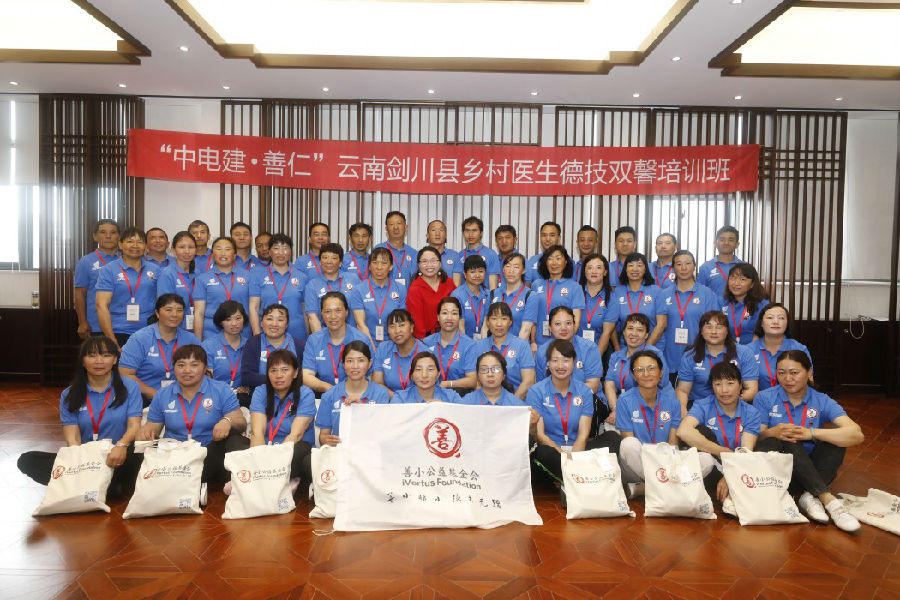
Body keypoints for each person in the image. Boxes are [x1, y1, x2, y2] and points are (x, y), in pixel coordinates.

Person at [754, 351, 864, 532]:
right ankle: (827, 499)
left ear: (809, 372)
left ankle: (809, 496)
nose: (787, 379)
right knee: (787, 436)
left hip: (811, 471)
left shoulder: (821, 400)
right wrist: (773, 432)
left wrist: (811, 433)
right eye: (781, 373)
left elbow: (857, 434)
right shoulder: (765, 397)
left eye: (794, 373)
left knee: (836, 436)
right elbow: (755, 439)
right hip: (779, 475)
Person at [17, 336, 142, 491]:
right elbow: (73, 439)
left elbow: (134, 426)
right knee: (28, 460)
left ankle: (95, 485)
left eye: (105, 355)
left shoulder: (130, 387)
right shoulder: (69, 394)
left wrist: (121, 446)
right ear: (83, 361)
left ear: (115, 359)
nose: (99, 361)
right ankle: (106, 485)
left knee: (139, 456)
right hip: (87, 457)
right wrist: (80, 463)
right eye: (92, 355)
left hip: (119, 454)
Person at [138, 345, 247, 487]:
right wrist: (146, 433)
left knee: (237, 441)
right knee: (137, 450)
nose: (187, 370)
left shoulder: (221, 389)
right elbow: (152, 428)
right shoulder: (163, 394)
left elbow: (240, 422)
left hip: (209, 453)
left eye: (194, 365)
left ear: (205, 367)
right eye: (181, 365)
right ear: (174, 368)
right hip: (174, 454)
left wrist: (227, 421)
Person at [528, 339, 619, 484]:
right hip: (553, 453)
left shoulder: (584, 391)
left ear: (574, 362)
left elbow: (583, 434)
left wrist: (575, 460)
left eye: (566, 360)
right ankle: (583, 480)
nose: (560, 366)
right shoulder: (536, 391)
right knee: (542, 452)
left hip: (579, 451)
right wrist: (565, 457)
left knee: (612, 438)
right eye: (555, 360)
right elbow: (540, 435)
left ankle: (571, 480)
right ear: (548, 363)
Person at [677, 362, 763, 512]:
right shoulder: (703, 405)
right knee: (702, 431)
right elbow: (683, 432)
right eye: (718, 384)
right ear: (712, 387)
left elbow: (745, 451)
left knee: (758, 453)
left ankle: (733, 494)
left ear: (740, 385)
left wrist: (730, 475)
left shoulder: (751, 413)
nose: (724, 390)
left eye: (730, 383)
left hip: (739, 467)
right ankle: (732, 495)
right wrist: (723, 452)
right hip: (713, 467)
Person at [241, 349, 316, 494]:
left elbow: (296, 435)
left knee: (300, 451)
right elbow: (257, 432)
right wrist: (261, 460)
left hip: (292, 449)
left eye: (284, 370)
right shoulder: (261, 392)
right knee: (235, 442)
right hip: (265, 448)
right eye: (273, 370)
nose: (278, 375)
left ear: (295, 373)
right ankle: (271, 479)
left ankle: (258, 479)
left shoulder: (305, 394)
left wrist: (273, 461)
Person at [615, 351, 685, 495]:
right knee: (628, 444)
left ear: (661, 373)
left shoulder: (673, 402)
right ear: (634, 376)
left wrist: (668, 465)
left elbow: (673, 445)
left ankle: (646, 488)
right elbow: (628, 440)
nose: (646, 373)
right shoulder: (625, 400)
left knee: (706, 461)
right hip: (637, 465)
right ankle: (665, 487)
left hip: (664, 462)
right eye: (640, 370)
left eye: (651, 368)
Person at [118, 294, 201, 404]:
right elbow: (125, 374)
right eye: (168, 310)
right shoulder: (139, 339)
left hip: (182, 398)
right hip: (145, 399)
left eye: (179, 310)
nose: (174, 314)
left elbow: (201, 370)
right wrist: (156, 395)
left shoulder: (191, 339)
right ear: (157, 313)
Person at [676, 310, 758, 415]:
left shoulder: (744, 353)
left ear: (727, 331)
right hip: (699, 409)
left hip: (733, 407)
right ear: (701, 331)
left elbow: (751, 389)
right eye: (709, 327)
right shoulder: (690, 356)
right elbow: (683, 390)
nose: (714, 331)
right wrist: (683, 410)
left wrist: (729, 403)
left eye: (719, 327)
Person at [659, 250, 720, 385]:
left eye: (688, 263)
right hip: (669, 357)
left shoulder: (707, 294)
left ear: (694, 266)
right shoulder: (663, 295)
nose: (683, 268)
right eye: (679, 264)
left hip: (699, 356)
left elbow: (715, 326)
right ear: (673, 268)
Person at [95, 227, 161, 347]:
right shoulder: (109, 270)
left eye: (140, 242)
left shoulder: (155, 270)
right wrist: (111, 339)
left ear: (146, 246)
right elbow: (101, 305)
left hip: (149, 330)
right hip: (119, 331)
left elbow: (161, 301)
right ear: (120, 244)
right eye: (130, 241)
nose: (135, 245)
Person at [316, 341, 391, 445]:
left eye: (361, 360)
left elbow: (382, 433)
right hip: (339, 451)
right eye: (350, 361)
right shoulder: (329, 395)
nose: (355, 366)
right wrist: (327, 441)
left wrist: (361, 410)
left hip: (369, 450)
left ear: (369, 363)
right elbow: (323, 436)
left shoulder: (381, 394)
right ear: (343, 364)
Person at [603, 313, 670, 425]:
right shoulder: (616, 356)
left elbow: (654, 388)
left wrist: (624, 411)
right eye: (630, 328)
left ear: (646, 335)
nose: (634, 333)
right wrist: (615, 409)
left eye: (639, 330)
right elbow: (610, 385)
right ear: (624, 332)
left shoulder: (654, 355)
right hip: (622, 407)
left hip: (651, 409)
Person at [301, 292, 373, 395]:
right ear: (321, 313)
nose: (333, 316)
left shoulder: (361, 339)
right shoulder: (314, 340)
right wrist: (328, 388)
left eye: (338, 311)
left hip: (356, 396)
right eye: (327, 311)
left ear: (346, 312)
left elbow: (370, 375)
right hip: (324, 395)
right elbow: (306, 375)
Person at [600, 252, 666, 354]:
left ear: (645, 269)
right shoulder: (617, 292)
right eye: (630, 265)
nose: (635, 269)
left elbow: (662, 324)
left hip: (652, 348)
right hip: (625, 348)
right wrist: (618, 350)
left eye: (639, 265)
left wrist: (645, 350)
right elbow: (611, 324)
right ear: (625, 269)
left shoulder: (656, 291)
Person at [249, 233, 307, 345]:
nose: (281, 253)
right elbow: (253, 307)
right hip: (267, 333)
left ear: (290, 252)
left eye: (285, 248)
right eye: (276, 248)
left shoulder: (301, 277)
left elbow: (305, 310)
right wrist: (257, 335)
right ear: (270, 252)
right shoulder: (258, 276)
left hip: (297, 334)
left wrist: (307, 333)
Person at [472, 302, 535, 400]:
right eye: (494, 318)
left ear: (510, 322)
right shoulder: (478, 346)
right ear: (488, 322)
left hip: (515, 401)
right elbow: (475, 381)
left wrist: (510, 404)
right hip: (485, 402)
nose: (499, 324)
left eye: (504, 319)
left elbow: (528, 381)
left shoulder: (522, 346)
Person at [193, 236, 251, 341]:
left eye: (227, 249)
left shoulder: (248, 276)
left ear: (235, 255)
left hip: (242, 332)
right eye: (219, 249)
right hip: (212, 332)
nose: (223, 253)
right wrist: (197, 342)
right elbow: (199, 313)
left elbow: (253, 308)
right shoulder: (202, 279)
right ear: (212, 255)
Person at [535, 306, 604, 393]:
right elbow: (541, 386)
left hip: (586, 398)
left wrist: (566, 396)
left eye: (568, 323)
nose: (563, 328)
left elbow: (593, 386)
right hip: (553, 399)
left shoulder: (589, 349)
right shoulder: (542, 352)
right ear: (550, 328)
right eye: (558, 324)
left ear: (574, 325)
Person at [241, 303, 305, 395]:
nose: (274, 324)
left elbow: (304, 376)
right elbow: (247, 377)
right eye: (269, 319)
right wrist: (278, 379)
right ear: (261, 323)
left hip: (292, 396)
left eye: (280, 320)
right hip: (261, 396)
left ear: (287, 324)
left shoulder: (299, 345)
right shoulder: (253, 343)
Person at [350, 246, 407, 347]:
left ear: (390, 267)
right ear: (369, 266)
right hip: (366, 343)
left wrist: (389, 348)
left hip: (393, 344)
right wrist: (373, 349)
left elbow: (401, 323)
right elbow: (361, 325)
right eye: (375, 262)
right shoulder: (358, 290)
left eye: (384, 263)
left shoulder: (400, 289)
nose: (379, 267)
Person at [748, 303, 812, 391]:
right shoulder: (748, 350)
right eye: (770, 318)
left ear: (787, 323)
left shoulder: (799, 349)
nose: (775, 321)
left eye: (781, 318)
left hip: (791, 398)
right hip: (757, 398)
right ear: (761, 323)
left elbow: (809, 381)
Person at [74, 219, 120, 340]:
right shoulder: (86, 261)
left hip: (123, 324)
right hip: (96, 324)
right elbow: (80, 294)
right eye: (103, 232)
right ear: (95, 236)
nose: (108, 236)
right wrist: (82, 322)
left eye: (113, 232)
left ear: (119, 236)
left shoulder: (126, 260)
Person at [422, 297, 477, 393]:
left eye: (454, 313)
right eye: (445, 313)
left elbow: (472, 381)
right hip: (431, 394)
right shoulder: (426, 343)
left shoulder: (469, 345)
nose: (449, 318)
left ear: (459, 318)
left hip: (459, 396)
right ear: (438, 317)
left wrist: (448, 384)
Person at [532, 245, 584, 346]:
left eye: (558, 258)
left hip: (563, 343)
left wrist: (567, 344)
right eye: (550, 258)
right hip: (539, 343)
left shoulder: (575, 287)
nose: (554, 262)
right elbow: (532, 317)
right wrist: (533, 341)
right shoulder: (536, 285)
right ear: (545, 262)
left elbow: (576, 321)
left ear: (565, 262)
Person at [201, 301, 250, 404]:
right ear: (220, 322)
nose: (234, 323)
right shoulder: (209, 346)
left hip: (242, 399)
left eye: (238, 318)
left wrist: (248, 387)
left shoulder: (250, 345)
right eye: (228, 319)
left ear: (244, 319)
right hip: (214, 398)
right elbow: (206, 381)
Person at [304, 243, 357, 333]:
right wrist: (321, 339)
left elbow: (360, 312)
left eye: (334, 258)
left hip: (352, 335)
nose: (329, 262)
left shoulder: (353, 279)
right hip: (324, 334)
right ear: (320, 262)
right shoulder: (312, 285)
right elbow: (313, 317)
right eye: (325, 257)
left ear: (340, 263)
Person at [406, 245, 457, 339]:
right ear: (419, 265)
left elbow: (457, 311)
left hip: (450, 335)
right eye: (424, 261)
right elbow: (417, 325)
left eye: (433, 261)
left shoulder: (449, 283)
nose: (429, 265)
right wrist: (424, 343)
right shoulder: (415, 289)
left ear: (440, 263)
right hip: (427, 339)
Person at [372, 309, 424, 397]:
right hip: (390, 400)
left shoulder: (424, 352)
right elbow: (377, 384)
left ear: (411, 327)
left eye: (401, 325)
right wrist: (397, 399)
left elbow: (428, 388)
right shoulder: (383, 349)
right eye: (392, 326)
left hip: (417, 401)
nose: (397, 331)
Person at [488, 253, 537, 340]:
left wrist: (514, 348)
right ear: (503, 269)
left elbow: (525, 331)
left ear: (523, 270)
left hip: (517, 346)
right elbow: (485, 326)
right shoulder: (493, 294)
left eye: (516, 267)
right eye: (508, 266)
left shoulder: (530, 296)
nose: (511, 271)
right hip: (493, 345)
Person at [156, 230, 198, 331]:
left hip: (197, 325)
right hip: (175, 327)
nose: (187, 251)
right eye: (182, 247)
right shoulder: (167, 274)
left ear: (196, 250)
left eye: (191, 247)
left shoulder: (199, 274)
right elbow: (166, 307)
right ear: (174, 250)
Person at [723, 262, 769, 344]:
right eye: (733, 278)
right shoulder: (722, 303)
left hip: (754, 348)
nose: (736, 283)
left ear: (752, 284)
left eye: (742, 279)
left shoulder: (763, 305)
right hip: (728, 348)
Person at [391, 352, 464, 404]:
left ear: (438, 374)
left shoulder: (451, 397)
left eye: (430, 369)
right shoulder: (400, 398)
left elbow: (463, 418)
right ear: (411, 376)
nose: (424, 375)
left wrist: (445, 408)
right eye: (418, 369)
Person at [461, 351, 526, 406]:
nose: (490, 374)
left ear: (504, 375)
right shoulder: (466, 403)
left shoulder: (517, 405)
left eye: (496, 369)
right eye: (484, 369)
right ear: (478, 376)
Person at [450, 255, 491, 339]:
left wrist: (484, 344)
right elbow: (460, 327)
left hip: (484, 340)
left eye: (481, 271)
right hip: (463, 341)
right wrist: (468, 345)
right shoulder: (457, 295)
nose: (477, 275)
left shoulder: (489, 294)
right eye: (472, 272)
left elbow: (487, 324)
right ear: (465, 274)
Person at [456, 216, 501, 289]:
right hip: (464, 295)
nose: (470, 234)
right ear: (463, 233)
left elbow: (493, 287)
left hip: (485, 295)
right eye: (467, 230)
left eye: (474, 230)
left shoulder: (491, 254)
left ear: (481, 233)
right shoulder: (459, 255)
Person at [697, 225, 743, 297]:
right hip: (713, 305)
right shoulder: (705, 268)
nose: (726, 243)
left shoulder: (745, 267)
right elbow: (700, 294)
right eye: (722, 240)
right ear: (715, 243)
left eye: (731, 240)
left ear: (737, 244)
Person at [374, 211, 417, 284]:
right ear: (386, 228)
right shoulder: (378, 250)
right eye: (391, 224)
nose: (396, 227)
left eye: (399, 223)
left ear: (406, 227)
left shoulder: (413, 253)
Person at [578, 253, 611, 345]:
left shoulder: (611, 298)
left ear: (605, 272)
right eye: (590, 267)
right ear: (584, 271)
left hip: (598, 348)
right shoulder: (576, 292)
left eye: (598, 268)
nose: (594, 271)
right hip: (573, 348)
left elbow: (607, 333)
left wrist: (596, 354)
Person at [525, 221, 561, 285]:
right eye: (544, 235)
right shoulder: (532, 260)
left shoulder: (566, 261)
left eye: (552, 235)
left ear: (559, 238)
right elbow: (527, 285)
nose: (547, 239)